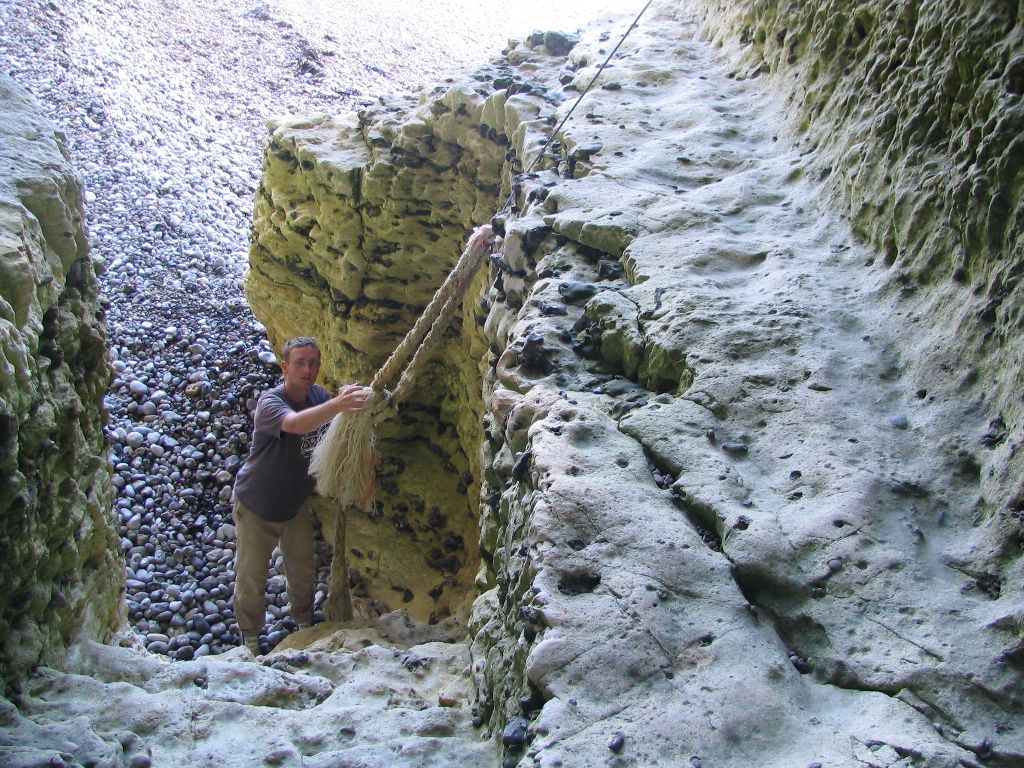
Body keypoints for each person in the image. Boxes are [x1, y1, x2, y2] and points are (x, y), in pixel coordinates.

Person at [231, 336, 371, 654]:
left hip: (294, 506)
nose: (308, 370)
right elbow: (294, 424)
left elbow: (338, 426)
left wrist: (360, 407)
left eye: (313, 363)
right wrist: (337, 405)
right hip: (256, 506)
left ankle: (305, 624)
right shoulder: (271, 402)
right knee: (252, 577)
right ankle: (250, 638)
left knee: (303, 570)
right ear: (285, 367)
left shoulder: (318, 396)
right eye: (299, 363)